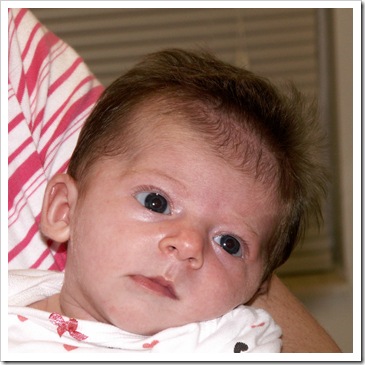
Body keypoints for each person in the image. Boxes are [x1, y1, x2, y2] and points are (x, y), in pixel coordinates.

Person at [8, 8, 341, 354]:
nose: (188, 245)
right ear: (64, 211)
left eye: (229, 243)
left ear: (254, 288)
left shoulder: (228, 344)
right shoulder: (14, 298)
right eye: (157, 203)